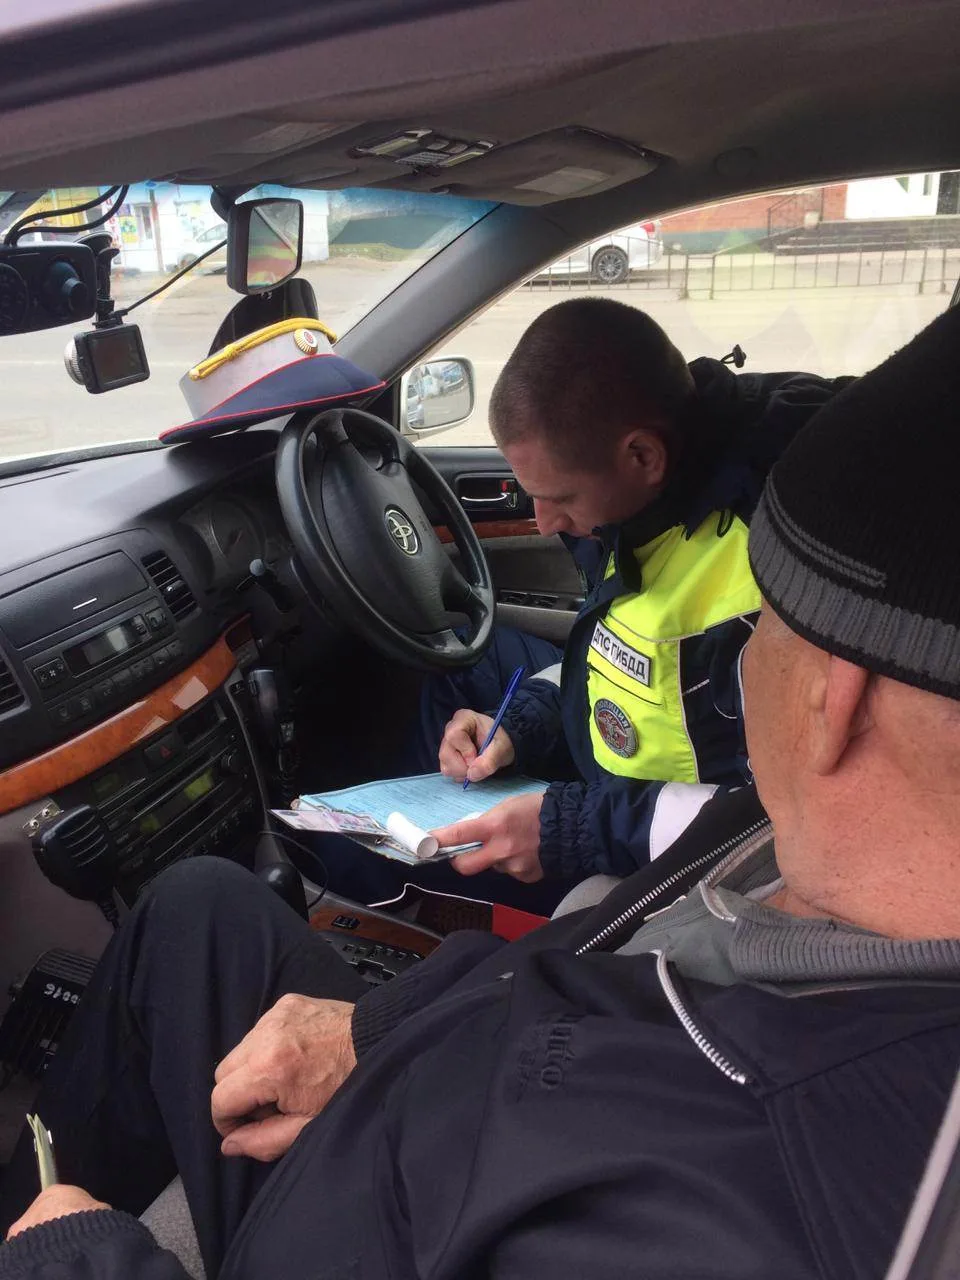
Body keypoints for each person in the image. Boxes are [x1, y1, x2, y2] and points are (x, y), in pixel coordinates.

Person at [5, 304, 960, 1280]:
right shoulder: (775, 850)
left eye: (771, 632)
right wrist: (374, 1032)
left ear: (835, 697)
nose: (748, 651)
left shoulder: (786, 1181)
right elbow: (590, 943)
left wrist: (76, 1256)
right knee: (198, 905)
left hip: (363, 1208)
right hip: (435, 1081)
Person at [315, 296, 850, 910]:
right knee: (461, 676)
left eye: (560, 497)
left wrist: (571, 830)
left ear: (643, 455)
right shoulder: (649, 502)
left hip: (674, 857)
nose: (544, 522)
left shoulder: (780, 567)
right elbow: (611, 651)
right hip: (619, 786)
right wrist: (521, 725)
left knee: (347, 860)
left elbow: (781, 818)